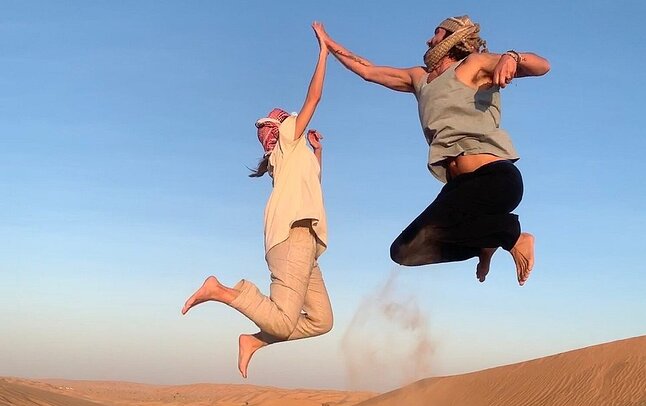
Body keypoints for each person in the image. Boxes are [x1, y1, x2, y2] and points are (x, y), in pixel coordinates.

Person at [313, 16, 550, 285]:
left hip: (494, 179)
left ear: (452, 38)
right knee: (404, 251)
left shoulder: (472, 65)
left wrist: (512, 56)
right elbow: (368, 71)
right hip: (457, 188)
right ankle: (484, 243)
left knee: (442, 227)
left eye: (436, 33)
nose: (429, 39)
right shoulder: (420, 78)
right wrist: (328, 44)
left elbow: (542, 66)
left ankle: (512, 235)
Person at [181, 22, 333, 378]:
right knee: (282, 324)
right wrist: (323, 53)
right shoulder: (286, 138)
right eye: (285, 119)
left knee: (322, 321)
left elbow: (315, 184)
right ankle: (221, 291)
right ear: (281, 126)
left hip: (307, 242)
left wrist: (318, 151)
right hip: (292, 236)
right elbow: (314, 98)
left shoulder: (293, 156)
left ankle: (255, 340)